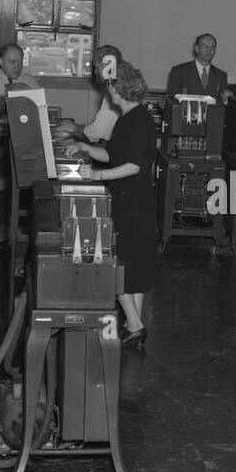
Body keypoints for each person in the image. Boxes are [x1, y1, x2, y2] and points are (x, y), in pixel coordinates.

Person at [70, 62, 158, 348]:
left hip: (131, 202)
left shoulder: (140, 120)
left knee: (118, 263)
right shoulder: (130, 116)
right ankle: (134, 323)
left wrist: (97, 175)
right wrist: (85, 148)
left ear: (117, 89)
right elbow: (113, 154)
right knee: (134, 267)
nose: (106, 90)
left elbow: (133, 166)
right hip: (131, 201)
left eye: (109, 85)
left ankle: (135, 323)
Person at [55, 44, 124, 145]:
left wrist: (74, 127)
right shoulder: (117, 87)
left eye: (97, 67)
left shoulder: (113, 93)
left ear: (108, 65)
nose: (95, 72)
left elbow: (97, 133)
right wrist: (75, 131)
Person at [165, 33, 231, 106]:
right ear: (196, 48)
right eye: (205, 46)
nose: (209, 50)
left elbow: (223, 104)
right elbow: (172, 100)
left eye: (212, 47)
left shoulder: (221, 75)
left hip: (212, 116)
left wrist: (226, 100)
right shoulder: (179, 71)